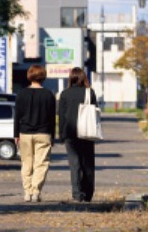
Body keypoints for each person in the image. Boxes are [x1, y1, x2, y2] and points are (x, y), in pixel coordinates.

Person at [14, 64, 56, 202]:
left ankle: (27, 192)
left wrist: (16, 134)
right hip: (43, 133)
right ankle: (36, 191)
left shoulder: (21, 93)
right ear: (43, 76)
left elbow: (17, 116)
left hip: (25, 133)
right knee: (41, 163)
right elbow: (51, 118)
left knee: (26, 163)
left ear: (29, 76)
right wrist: (53, 136)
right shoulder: (49, 95)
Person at [58, 67, 98, 202]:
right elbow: (95, 112)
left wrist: (61, 135)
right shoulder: (89, 92)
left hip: (70, 133)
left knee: (74, 164)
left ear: (71, 78)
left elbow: (61, 116)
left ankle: (76, 193)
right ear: (83, 77)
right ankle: (88, 193)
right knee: (88, 164)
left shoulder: (65, 94)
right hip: (86, 131)